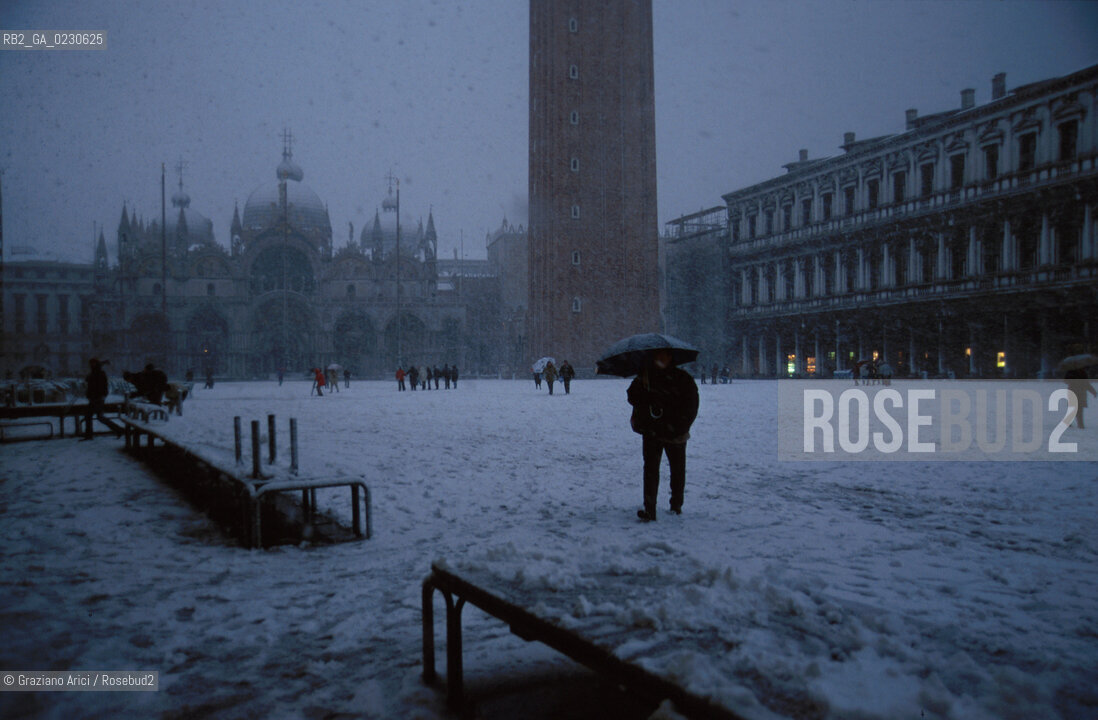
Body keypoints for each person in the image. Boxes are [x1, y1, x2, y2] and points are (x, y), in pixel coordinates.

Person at [627, 349, 699, 521]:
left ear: (670, 357)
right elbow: (631, 397)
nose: (660, 359)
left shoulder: (683, 378)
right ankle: (649, 508)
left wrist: (681, 426)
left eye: (664, 356)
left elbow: (692, 405)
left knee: (677, 470)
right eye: (657, 356)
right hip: (652, 431)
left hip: (676, 432)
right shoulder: (646, 377)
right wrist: (642, 387)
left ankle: (676, 505)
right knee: (651, 470)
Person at [83, 358, 122, 440]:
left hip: (97, 398)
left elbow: (102, 386)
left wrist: (101, 395)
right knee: (96, 416)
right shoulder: (95, 373)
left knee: (94, 416)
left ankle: (119, 430)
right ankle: (118, 430)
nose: (91, 365)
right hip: (95, 397)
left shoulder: (98, 373)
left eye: (92, 363)